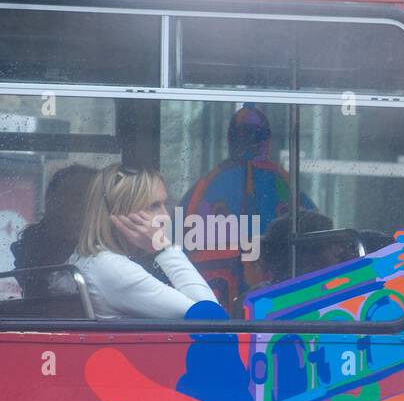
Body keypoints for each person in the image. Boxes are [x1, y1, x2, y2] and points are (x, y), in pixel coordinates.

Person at [72, 164, 218, 319]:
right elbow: (213, 320)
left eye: (165, 205)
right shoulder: (112, 269)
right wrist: (164, 248)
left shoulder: (92, 259)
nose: (166, 217)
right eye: (153, 206)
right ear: (120, 213)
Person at [180, 105, 314, 229]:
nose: (251, 141)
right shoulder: (282, 180)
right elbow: (316, 225)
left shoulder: (209, 182)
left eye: (256, 134)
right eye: (246, 134)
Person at [10, 164, 96, 298]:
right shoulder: (32, 245)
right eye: (70, 195)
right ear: (51, 200)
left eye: (85, 198)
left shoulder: (108, 252)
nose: (76, 206)